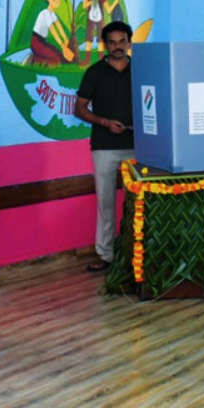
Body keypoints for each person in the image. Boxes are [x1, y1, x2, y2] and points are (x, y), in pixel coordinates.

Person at [74, 21, 135, 272]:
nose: (117, 46)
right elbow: (79, 109)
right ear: (105, 45)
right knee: (106, 202)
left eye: (122, 41)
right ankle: (105, 255)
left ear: (129, 43)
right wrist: (104, 123)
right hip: (104, 146)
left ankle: (135, 255)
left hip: (138, 146)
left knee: (138, 203)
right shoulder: (94, 72)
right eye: (112, 42)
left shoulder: (143, 70)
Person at [30, 0, 75, 65]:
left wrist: (66, 40)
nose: (57, 0)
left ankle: (38, 57)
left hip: (43, 42)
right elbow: (54, 32)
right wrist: (63, 46)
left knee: (59, 55)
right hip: (36, 43)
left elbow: (59, 27)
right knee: (56, 60)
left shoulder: (52, 13)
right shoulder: (45, 13)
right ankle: (34, 59)